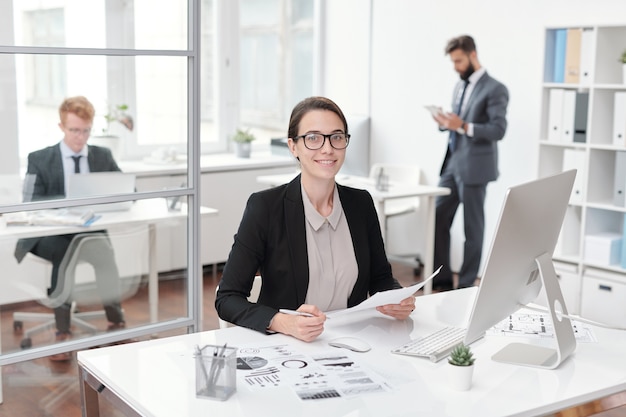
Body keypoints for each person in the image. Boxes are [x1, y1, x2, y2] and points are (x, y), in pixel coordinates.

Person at [215, 96, 415, 342]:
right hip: (288, 348)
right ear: (293, 146)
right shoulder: (265, 207)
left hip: (353, 343)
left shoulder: (361, 203)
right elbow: (227, 298)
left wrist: (396, 298)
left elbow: (380, 278)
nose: (327, 148)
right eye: (313, 138)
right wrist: (282, 322)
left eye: (337, 137)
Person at [14, 96, 126, 361]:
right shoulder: (39, 159)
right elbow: (30, 202)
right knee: (64, 253)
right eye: (74, 130)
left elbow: (124, 188)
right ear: (61, 127)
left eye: (86, 130)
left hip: (87, 230)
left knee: (105, 254)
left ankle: (116, 322)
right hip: (47, 233)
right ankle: (62, 332)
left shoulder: (102, 155)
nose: (80, 137)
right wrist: (63, 210)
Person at [431, 35, 509, 291]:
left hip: (475, 169)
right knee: (438, 218)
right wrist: (446, 124)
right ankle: (441, 281)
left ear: (473, 55)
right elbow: (457, 125)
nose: (456, 66)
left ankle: (465, 286)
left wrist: (463, 125)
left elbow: (498, 130)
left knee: (472, 230)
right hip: (452, 164)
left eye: (459, 61)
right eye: (453, 62)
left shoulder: (495, 89)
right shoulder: (459, 86)